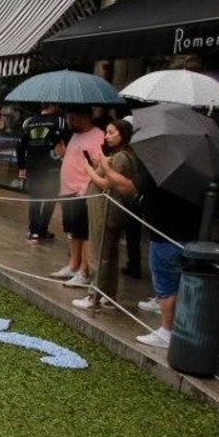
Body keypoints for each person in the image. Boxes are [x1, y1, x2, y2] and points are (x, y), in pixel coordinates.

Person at [94, 153, 202, 349]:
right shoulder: (196, 169)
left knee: (167, 286)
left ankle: (167, 331)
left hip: (166, 235)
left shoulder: (161, 164)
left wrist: (105, 167)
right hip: (188, 235)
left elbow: (126, 187)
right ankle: (175, 328)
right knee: (177, 284)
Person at [76, 119, 138, 313]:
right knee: (109, 253)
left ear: (123, 134)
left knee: (99, 252)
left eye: (111, 132)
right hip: (105, 209)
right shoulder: (119, 156)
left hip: (106, 211)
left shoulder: (121, 157)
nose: (107, 136)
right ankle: (108, 295)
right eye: (107, 132)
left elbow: (106, 184)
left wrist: (89, 171)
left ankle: (94, 294)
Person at [52, 109, 105, 289]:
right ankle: (73, 265)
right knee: (73, 232)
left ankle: (84, 271)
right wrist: (62, 154)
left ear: (85, 117)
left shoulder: (97, 136)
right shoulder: (75, 135)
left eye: (73, 117)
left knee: (84, 233)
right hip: (68, 191)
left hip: (82, 192)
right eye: (69, 118)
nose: (70, 121)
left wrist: (86, 187)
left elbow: (100, 164)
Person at [18, 103, 65, 242]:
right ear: (52, 104)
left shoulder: (29, 122)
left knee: (35, 198)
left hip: (33, 167)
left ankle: (33, 232)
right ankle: (42, 229)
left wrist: (22, 166)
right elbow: (60, 143)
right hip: (52, 168)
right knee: (50, 199)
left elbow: (20, 146)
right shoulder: (59, 121)